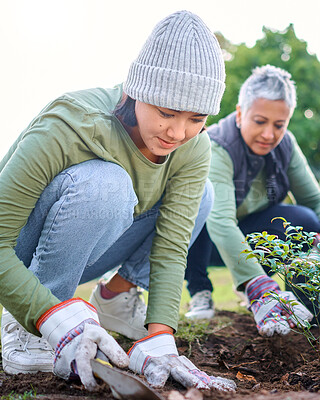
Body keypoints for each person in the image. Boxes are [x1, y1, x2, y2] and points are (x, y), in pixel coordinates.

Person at [0, 11, 237, 392]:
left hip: (91, 249)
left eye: (196, 118)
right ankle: (29, 319)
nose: (178, 132)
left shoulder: (193, 145)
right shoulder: (72, 121)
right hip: (21, 252)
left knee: (203, 194)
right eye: (166, 113)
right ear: (135, 91)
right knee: (108, 184)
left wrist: (160, 337)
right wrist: (46, 313)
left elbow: (172, 246)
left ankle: (117, 298)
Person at [184, 65, 318, 337]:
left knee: (305, 221)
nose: (269, 134)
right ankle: (201, 291)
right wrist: (258, 284)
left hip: (250, 233)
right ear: (240, 113)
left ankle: (304, 307)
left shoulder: (286, 145)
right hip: (206, 238)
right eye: (260, 121)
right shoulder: (217, 146)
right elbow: (220, 221)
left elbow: (314, 200)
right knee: (202, 205)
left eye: (279, 125)